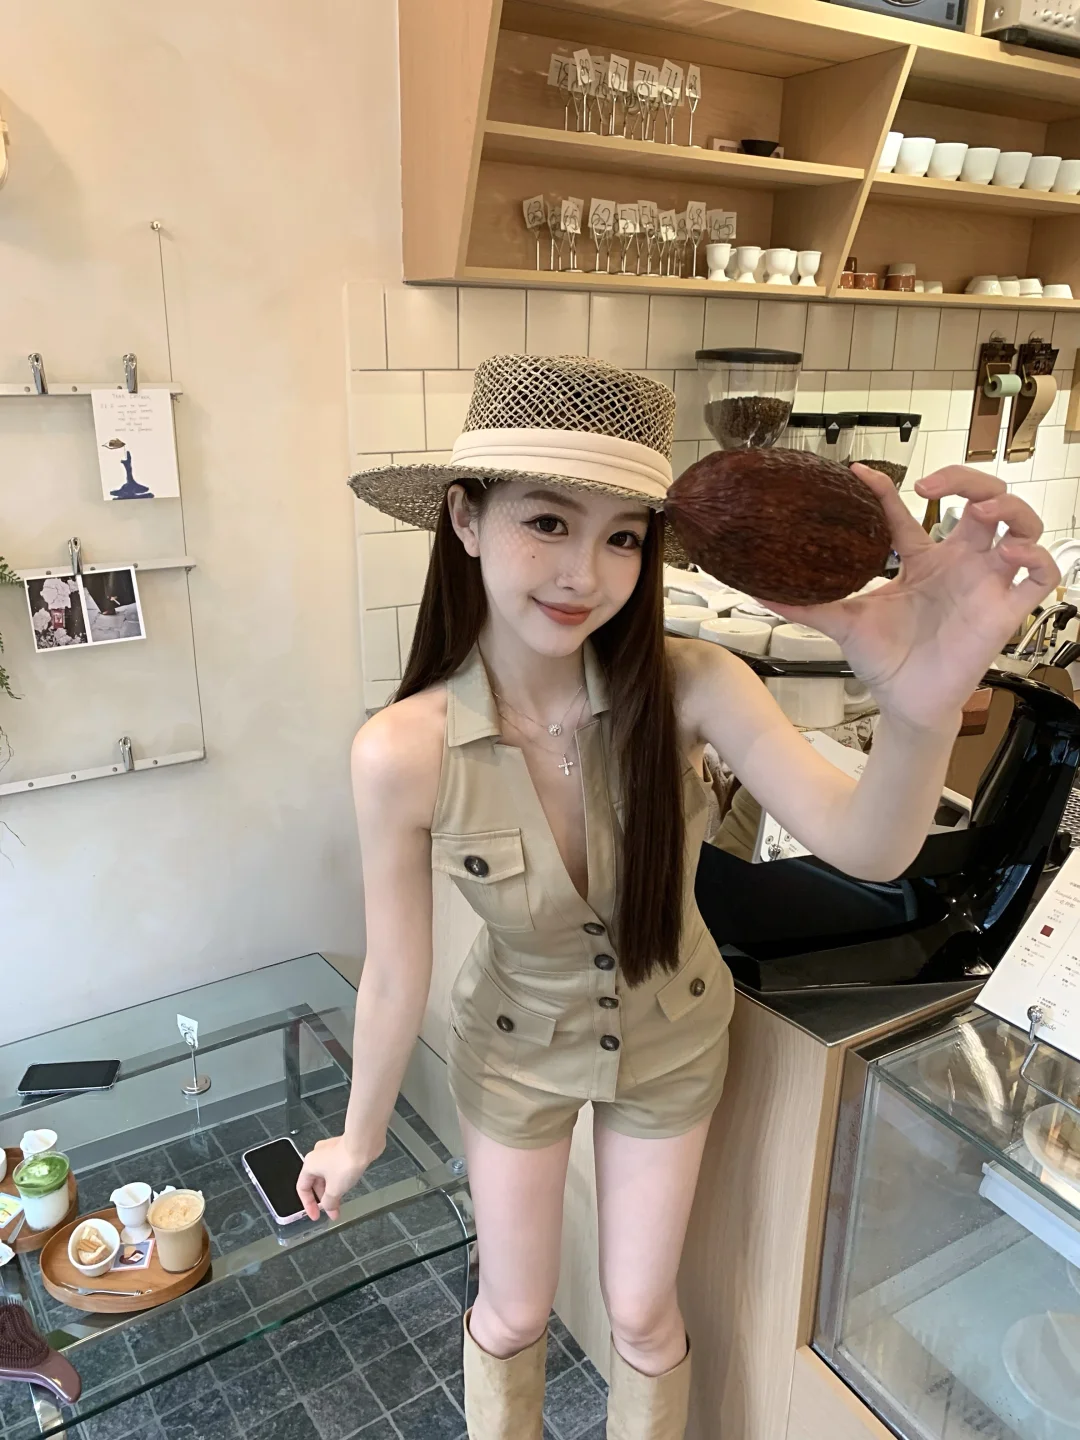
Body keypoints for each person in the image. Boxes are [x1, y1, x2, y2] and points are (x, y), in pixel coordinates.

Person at [296, 354, 1056, 1440]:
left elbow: (871, 848)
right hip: (512, 1049)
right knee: (513, 1313)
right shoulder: (399, 751)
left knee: (644, 1316)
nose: (586, 573)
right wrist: (358, 1136)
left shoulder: (696, 684)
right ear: (465, 519)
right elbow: (394, 970)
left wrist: (922, 706)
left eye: (623, 537)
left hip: (675, 1035)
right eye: (547, 522)